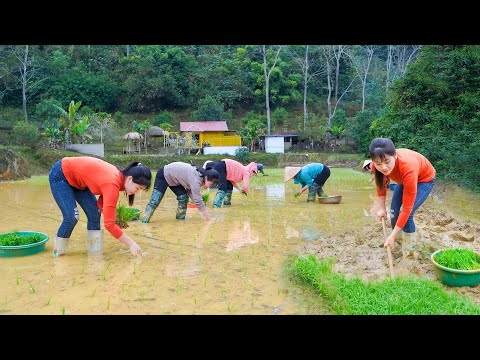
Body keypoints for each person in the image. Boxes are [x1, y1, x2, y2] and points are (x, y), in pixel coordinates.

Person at [48, 157, 152, 257]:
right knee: (71, 217)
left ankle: (94, 253)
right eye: (138, 188)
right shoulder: (112, 183)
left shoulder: (119, 179)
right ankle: (59, 254)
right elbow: (109, 225)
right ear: (130, 179)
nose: (137, 192)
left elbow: (101, 204)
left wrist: (114, 218)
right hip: (61, 174)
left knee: (95, 213)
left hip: (78, 181)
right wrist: (132, 243)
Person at [369, 137, 436, 258]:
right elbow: (381, 187)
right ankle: (398, 241)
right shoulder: (375, 166)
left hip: (424, 179)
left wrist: (392, 235)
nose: (383, 167)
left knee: (406, 214)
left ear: (395, 155)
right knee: (394, 211)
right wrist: (382, 209)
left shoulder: (408, 166)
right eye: (378, 163)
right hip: (403, 179)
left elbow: (406, 209)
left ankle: (409, 251)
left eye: (387, 162)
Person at [142, 162, 219, 223]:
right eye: (210, 184)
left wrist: (202, 209)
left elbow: (190, 192)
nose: (209, 186)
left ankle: (180, 220)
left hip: (174, 180)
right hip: (164, 174)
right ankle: (145, 221)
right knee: (155, 200)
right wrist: (209, 218)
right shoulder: (196, 180)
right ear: (206, 178)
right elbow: (198, 200)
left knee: (184, 197)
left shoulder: (199, 177)